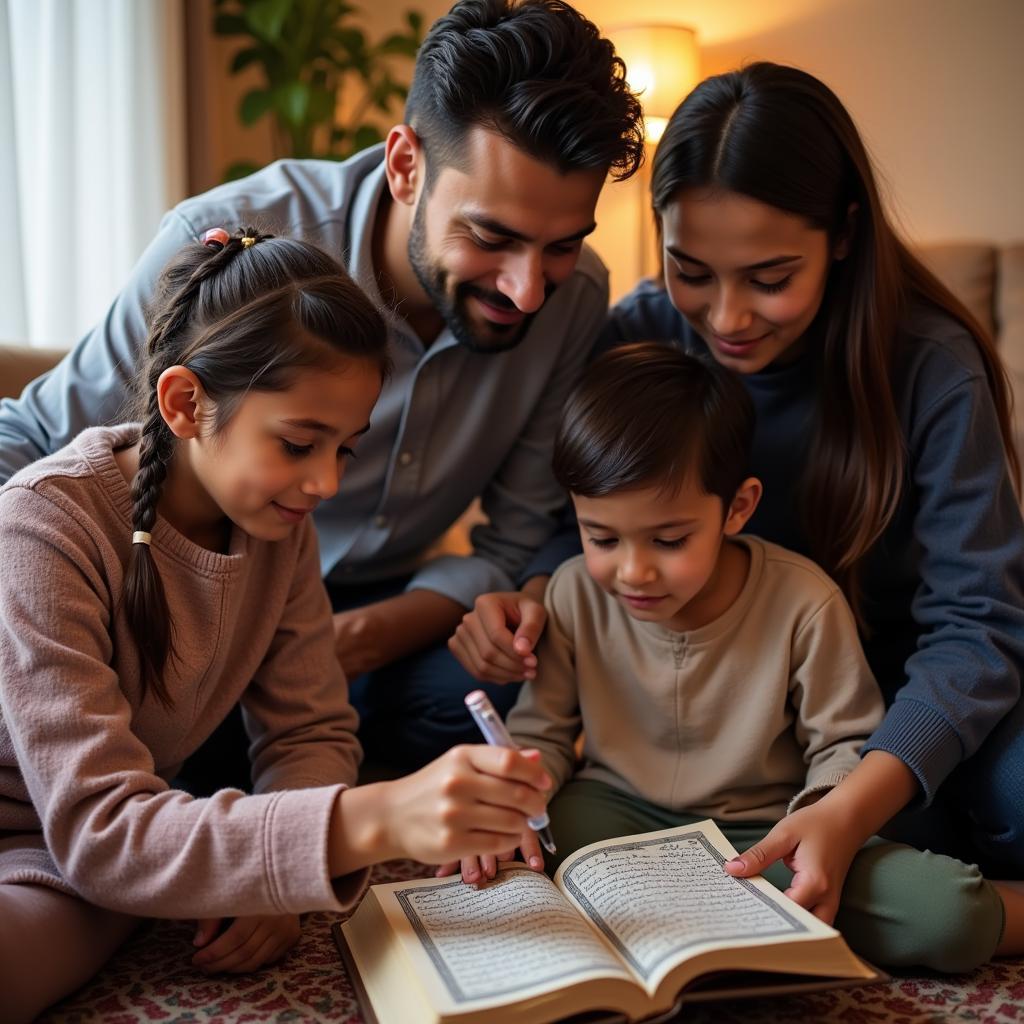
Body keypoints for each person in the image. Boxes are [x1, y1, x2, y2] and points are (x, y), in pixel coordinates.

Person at [0, 0, 644, 772]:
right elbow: (33, 442)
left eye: (562, 247)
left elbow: (514, 533)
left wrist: (367, 637)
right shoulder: (227, 245)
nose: (529, 290)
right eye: (491, 237)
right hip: (203, 601)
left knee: (492, 699)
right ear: (406, 165)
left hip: (386, 614)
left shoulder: (577, 301)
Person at [449, 62, 1024, 879]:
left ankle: (980, 905)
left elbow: (978, 627)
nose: (726, 318)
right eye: (691, 271)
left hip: (898, 693)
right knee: (443, 702)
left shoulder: (931, 366)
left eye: (771, 278)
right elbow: (571, 519)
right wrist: (535, 598)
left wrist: (851, 802)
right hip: (725, 689)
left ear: (845, 235)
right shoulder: (641, 335)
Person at [0, 229, 554, 1024]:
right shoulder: (42, 524)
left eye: (345, 449)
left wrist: (277, 878)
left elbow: (310, 732)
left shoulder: (275, 527)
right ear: (186, 403)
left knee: (116, 903)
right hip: (79, 833)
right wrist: (377, 818)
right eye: (299, 443)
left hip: (80, 855)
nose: (326, 482)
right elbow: (103, 831)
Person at [444, 344, 1023, 971]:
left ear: (738, 507)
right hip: (612, 822)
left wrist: (822, 825)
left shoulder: (805, 601)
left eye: (669, 540)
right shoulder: (572, 591)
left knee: (944, 916)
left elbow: (843, 746)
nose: (632, 571)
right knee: (515, 864)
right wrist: (507, 806)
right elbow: (542, 734)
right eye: (602, 537)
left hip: (766, 834)